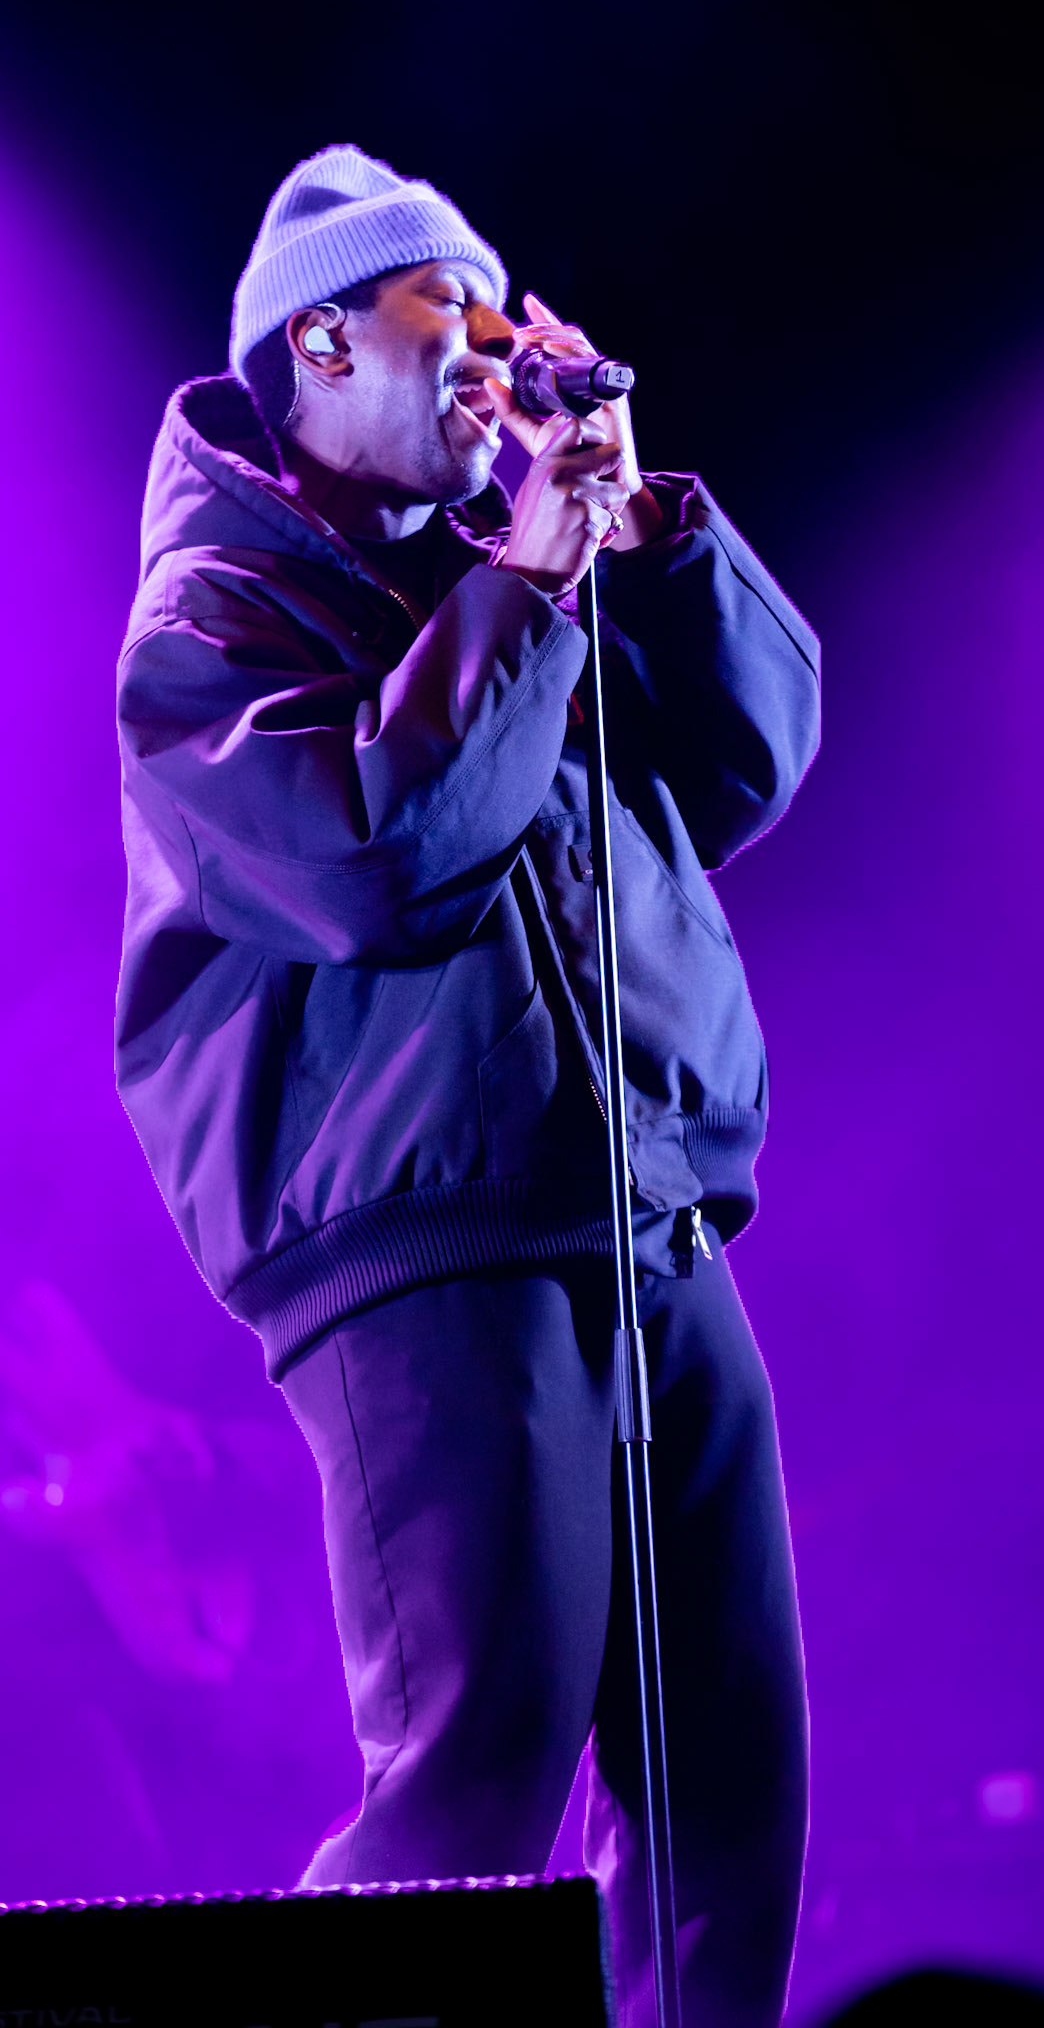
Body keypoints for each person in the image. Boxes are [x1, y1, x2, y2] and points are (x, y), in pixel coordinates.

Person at [115, 144, 819, 2028]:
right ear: (326, 341)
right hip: (428, 1234)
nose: (498, 346)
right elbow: (374, 854)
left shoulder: (514, 577)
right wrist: (527, 572)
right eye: (452, 305)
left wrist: (634, 521)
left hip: (642, 1211)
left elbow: (742, 763)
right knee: (477, 1772)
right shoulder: (211, 618)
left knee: (726, 1791)